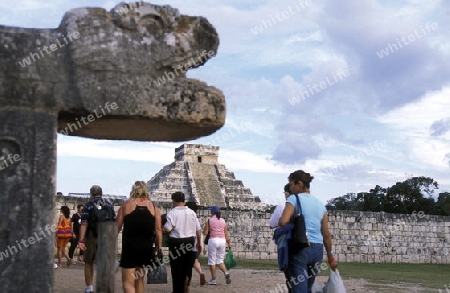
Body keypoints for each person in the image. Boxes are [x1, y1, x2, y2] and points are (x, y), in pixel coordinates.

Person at [279, 170, 338, 293]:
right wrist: (330, 256)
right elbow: (326, 234)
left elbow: (283, 222)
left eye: (291, 184)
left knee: (299, 289)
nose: (290, 188)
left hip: (301, 248)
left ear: (299, 184)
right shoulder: (321, 205)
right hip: (317, 251)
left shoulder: (294, 199)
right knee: (307, 287)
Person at [116, 181, 162, 293]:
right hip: (146, 247)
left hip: (130, 247)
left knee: (128, 283)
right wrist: (159, 247)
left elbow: (117, 227)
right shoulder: (154, 207)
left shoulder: (126, 205)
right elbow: (158, 229)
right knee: (139, 280)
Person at [78, 185, 116, 293]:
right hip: (105, 236)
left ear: (91, 194)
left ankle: (89, 287)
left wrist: (81, 240)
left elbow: (84, 224)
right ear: (101, 194)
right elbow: (113, 222)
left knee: (88, 262)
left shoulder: (89, 206)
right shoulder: (108, 204)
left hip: (91, 236)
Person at [162, 192, 202, 293]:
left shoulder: (172, 213)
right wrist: (199, 242)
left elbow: (168, 229)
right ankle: (186, 282)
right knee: (187, 267)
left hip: (176, 243)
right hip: (190, 241)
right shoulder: (192, 212)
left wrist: (159, 229)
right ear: (183, 201)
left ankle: (177, 289)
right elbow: (198, 230)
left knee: (176, 269)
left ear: (174, 200)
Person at [203, 205, 231, 285]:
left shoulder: (209, 220)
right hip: (222, 241)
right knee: (220, 260)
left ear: (212, 212)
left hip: (213, 240)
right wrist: (229, 244)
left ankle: (213, 279)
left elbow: (205, 232)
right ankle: (226, 272)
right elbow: (226, 234)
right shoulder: (223, 221)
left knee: (212, 261)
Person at [185, 201, 206, 286]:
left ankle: (185, 279)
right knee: (195, 260)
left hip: (188, 242)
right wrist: (199, 243)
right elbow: (199, 232)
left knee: (185, 263)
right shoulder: (196, 218)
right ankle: (200, 272)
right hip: (196, 242)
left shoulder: (187, 217)